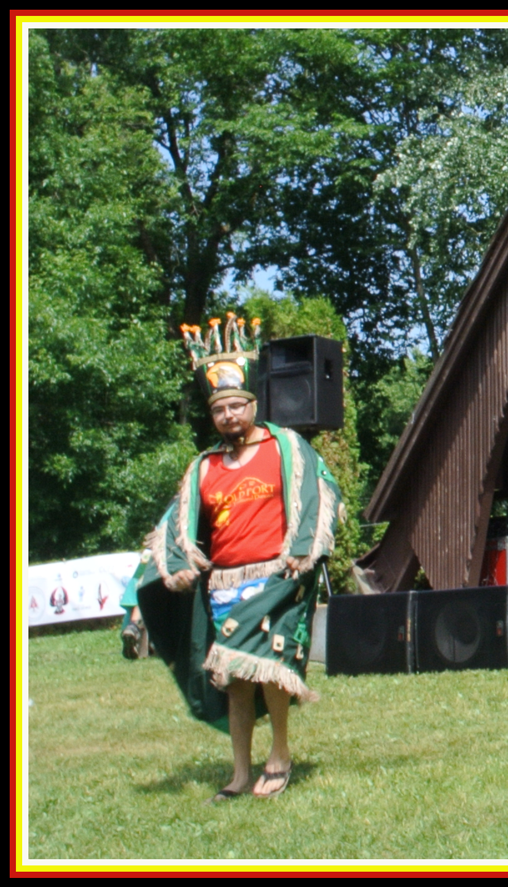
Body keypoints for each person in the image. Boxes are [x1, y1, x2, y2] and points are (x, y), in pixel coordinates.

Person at [136, 314, 342, 803]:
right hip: (225, 585)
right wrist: (179, 562)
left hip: (276, 579)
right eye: (219, 410)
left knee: (266, 668)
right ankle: (238, 773)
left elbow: (319, 491)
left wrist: (301, 550)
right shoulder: (204, 466)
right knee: (235, 683)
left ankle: (279, 756)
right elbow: (176, 522)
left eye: (236, 406)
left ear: (252, 404)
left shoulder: (286, 447)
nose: (228, 416)